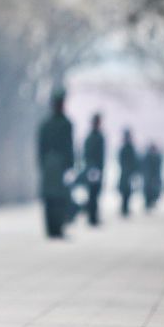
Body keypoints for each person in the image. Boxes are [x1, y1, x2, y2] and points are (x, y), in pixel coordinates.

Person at [37, 88, 75, 238]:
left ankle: (51, 229)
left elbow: (40, 148)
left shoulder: (45, 124)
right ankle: (57, 229)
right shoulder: (66, 124)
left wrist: (41, 164)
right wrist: (70, 166)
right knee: (59, 199)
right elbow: (68, 147)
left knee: (50, 198)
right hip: (59, 165)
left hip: (48, 164)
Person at [82, 113, 105, 226]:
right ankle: (92, 218)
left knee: (94, 194)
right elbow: (88, 154)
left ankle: (93, 217)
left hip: (95, 168)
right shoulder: (93, 137)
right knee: (93, 194)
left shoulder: (96, 137)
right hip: (93, 169)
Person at [118, 129, 139, 217]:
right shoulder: (127, 148)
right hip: (126, 172)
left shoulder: (128, 147)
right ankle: (124, 208)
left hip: (127, 172)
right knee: (125, 191)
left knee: (127, 191)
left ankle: (125, 208)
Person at [142, 143, 163, 211]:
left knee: (155, 191)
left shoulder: (157, 157)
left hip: (154, 177)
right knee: (148, 192)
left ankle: (151, 203)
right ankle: (147, 204)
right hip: (148, 177)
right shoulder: (148, 157)